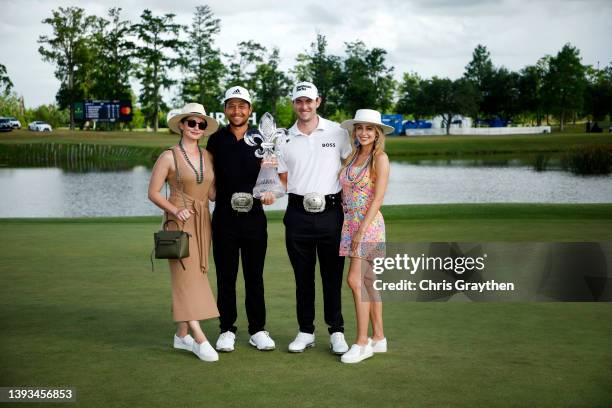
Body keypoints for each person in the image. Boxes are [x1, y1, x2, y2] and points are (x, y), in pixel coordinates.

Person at [274, 81, 351, 354]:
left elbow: (350, 165)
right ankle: (305, 331)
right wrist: (267, 190)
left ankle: (336, 331)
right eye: (299, 101)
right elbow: (281, 180)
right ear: (293, 104)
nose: (304, 106)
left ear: (318, 101)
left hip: (331, 212)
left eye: (309, 101)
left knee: (332, 276)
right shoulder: (283, 138)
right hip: (297, 214)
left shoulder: (338, 132)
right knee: (303, 277)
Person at [148, 102, 220, 362]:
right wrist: (175, 210)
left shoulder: (208, 156)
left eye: (201, 124)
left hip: (203, 222)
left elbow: (211, 192)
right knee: (185, 277)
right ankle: (199, 338)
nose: (196, 127)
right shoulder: (168, 156)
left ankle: (181, 335)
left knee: (195, 276)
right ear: (181, 125)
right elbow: (153, 192)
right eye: (191, 122)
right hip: (179, 224)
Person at [206, 86, 276, 352]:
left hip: (254, 219)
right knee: (226, 276)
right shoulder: (216, 139)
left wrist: (270, 192)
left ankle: (257, 329)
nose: (237, 111)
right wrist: (209, 194)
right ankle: (226, 329)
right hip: (224, 218)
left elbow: (271, 175)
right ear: (225, 109)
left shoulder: (262, 139)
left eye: (242, 106)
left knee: (254, 277)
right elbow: (209, 172)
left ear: (250, 110)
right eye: (232, 106)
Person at [337, 109, 391, 364]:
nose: (364, 133)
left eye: (370, 129)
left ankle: (361, 343)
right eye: (360, 128)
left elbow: (378, 198)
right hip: (350, 223)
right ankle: (378, 338)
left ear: (377, 133)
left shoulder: (380, 159)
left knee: (354, 280)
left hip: (368, 225)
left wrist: (361, 231)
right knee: (369, 281)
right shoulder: (351, 156)